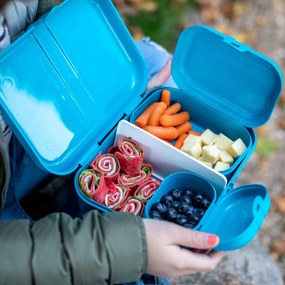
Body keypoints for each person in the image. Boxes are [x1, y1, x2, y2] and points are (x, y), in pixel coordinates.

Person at [0, 1, 224, 284]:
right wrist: (125, 249)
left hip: (24, 127)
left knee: (153, 61)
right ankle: (71, 202)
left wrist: (115, 97)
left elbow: (56, 37)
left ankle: (70, 198)